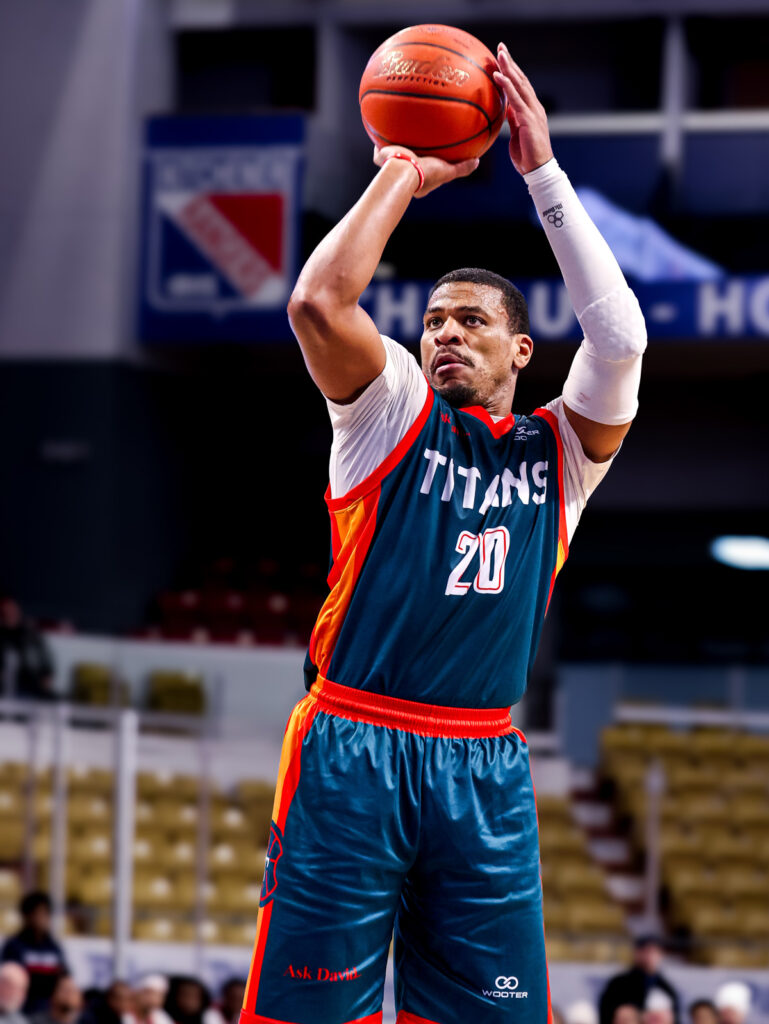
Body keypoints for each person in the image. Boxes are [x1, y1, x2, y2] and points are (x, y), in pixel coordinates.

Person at [240, 42, 647, 1024]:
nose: (445, 335)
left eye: (469, 321)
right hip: (353, 743)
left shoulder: (560, 454)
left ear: (521, 348)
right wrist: (401, 171)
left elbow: (622, 338)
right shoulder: (389, 412)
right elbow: (316, 302)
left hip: (484, 763)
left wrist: (540, 174)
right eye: (431, 323)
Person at [1, 894, 68, 1014]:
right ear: (26, 916)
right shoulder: (14, 946)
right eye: (36, 914)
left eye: (45, 914)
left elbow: (64, 977)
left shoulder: (54, 948)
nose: (40, 919)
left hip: (49, 1010)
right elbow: (10, 980)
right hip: (21, 1009)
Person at [600, 938, 680, 1024]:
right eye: (645, 951)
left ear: (660, 955)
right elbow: (607, 1013)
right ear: (636, 953)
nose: (649, 956)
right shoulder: (619, 983)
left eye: (653, 952)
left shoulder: (666, 988)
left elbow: (675, 1017)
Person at [0, 599, 55, 700]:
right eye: (6, 613)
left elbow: (44, 657)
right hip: (5, 688)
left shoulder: (30, 635)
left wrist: (46, 674)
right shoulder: (3, 637)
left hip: (30, 686)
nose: (10, 615)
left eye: (13, 612)